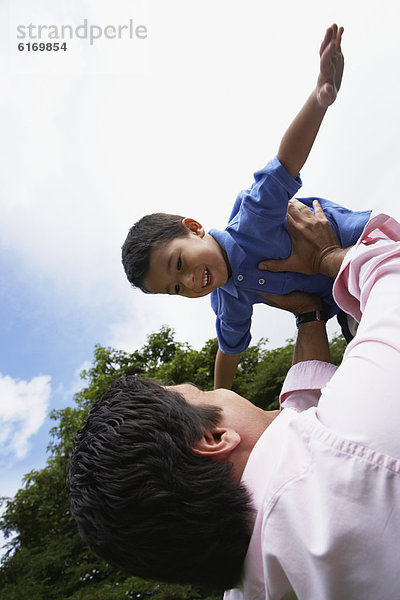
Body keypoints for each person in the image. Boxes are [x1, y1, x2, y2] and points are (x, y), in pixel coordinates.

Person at [68, 203, 400, 599]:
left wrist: (308, 316)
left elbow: (294, 425)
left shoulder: (250, 585)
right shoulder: (355, 442)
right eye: (204, 392)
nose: (220, 390)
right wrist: (328, 257)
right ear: (212, 439)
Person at [121, 24, 371, 390]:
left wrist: (319, 99)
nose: (189, 282)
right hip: (347, 297)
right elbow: (230, 348)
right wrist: (219, 398)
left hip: (363, 246)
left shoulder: (253, 218)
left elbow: (286, 161)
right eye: (176, 288)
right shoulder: (231, 297)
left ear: (193, 228)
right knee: (371, 364)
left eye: (179, 263)